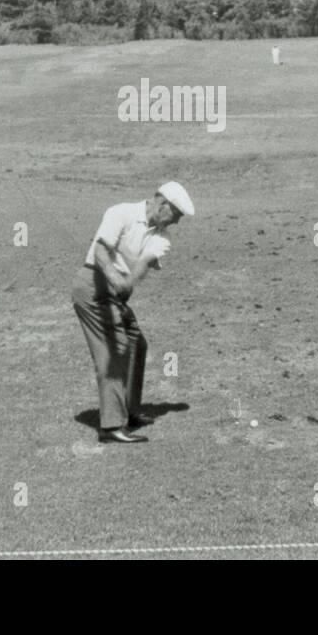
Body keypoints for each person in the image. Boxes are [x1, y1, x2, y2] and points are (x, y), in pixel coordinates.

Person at [72, 182, 194, 443]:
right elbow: (101, 250)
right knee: (115, 350)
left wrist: (126, 284)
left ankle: (130, 410)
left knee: (136, 344)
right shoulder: (121, 212)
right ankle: (112, 426)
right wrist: (116, 278)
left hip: (115, 294)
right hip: (92, 286)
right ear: (162, 205)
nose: (177, 222)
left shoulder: (163, 238)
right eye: (176, 215)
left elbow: (143, 265)